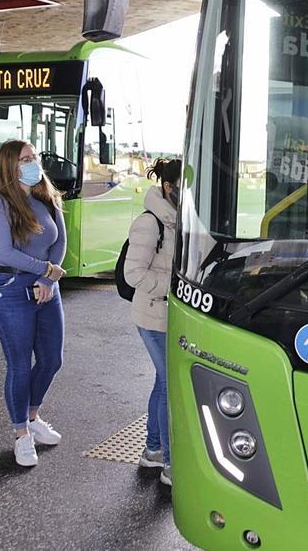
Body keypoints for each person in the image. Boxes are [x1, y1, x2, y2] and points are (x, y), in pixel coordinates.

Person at [0, 140, 67, 467]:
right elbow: (3, 252)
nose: (34, 163)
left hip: (46, 288)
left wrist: (47, 280)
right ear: (9, 166)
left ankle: (32, 417)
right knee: (19, 362)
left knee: (51, 359)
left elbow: (59, 241)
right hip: (10, 288)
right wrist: (44, 271)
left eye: (35, 157)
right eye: (26, 159)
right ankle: (21, 435)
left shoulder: (46, 197)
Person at [122, 157, 181, 487]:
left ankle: (153, 450)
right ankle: (170, 463)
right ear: (168, 186)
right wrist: (173, 289)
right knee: (170, 383)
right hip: (152, 314)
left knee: (162, 382)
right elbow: (134, 274)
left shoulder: (179, 220)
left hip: (169, 314)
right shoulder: (150, 223)